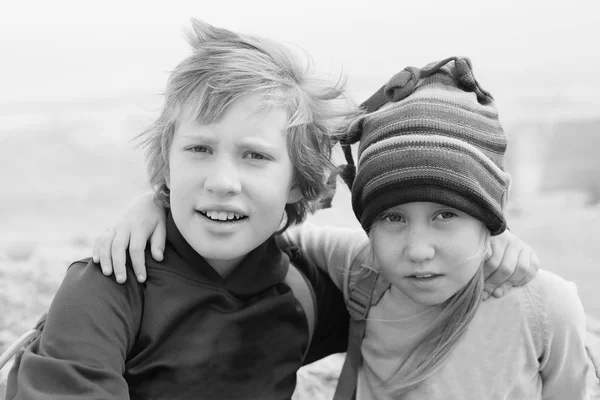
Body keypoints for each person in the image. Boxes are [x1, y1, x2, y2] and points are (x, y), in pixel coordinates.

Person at [94, 57, 589, 399]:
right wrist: (157, 201)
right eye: (392, 218)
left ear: (489, 216)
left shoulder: (543, 307)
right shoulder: (367, 271)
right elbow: (259, 231)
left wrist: (496, 236)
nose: (418, 250)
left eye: (447, 215)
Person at [5, 19, 355, 400]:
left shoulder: (301, 291)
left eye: (254, 155)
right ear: (166, 165)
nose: (222, 182)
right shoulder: (110, 286)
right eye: (199, 149)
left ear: (298, 183)